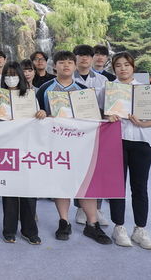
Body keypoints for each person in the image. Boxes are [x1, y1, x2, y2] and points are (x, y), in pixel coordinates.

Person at [36, 50, 112, 244]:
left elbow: (93, 116)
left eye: (70, 62)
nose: (66, 65)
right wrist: (43, 115)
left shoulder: (83, 90)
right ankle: (63, 221)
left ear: (75, 66)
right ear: (55, 67)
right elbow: (36, 114)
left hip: (81, 144)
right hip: (56, 144)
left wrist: (107, 119)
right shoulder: (44, 88)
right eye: (62, 62)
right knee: (61, 184)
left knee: (86, 184)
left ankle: (92, 224)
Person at [106, 52, 151, 249]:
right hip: (116, 141)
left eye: (126, 65)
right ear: (114, 69)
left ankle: (140, 229)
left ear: (133, 67)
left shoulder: (146, 90)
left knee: (140, 187)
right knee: (117, 187)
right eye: (118, 65)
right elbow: (101, 113)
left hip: (142, 141)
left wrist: (145, 124)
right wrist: (108, 116)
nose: (123, 69)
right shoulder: (109, 90)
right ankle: (119, 227)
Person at [0, 61, 46, 245]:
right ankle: (9, 229)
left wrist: (41, 113)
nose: (11, 78)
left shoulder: (30, 96)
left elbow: (37, 120)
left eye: (14, 74)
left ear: (20, 76)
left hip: (27, 148)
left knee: (28, 190)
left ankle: (29, 230)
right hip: (6, 148)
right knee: (9, 191)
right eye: (7, 75)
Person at [72, 44, 110, 226]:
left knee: (97, 170)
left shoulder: (103, 81)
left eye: (88, 55)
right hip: (73, 130)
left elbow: (107, 106)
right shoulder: (68, 78)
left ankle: (97, 209)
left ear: (93, 58)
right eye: (80, 55)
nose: (84, 59)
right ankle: (80, 207)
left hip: (97, 129)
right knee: (77, 168)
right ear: (75, 59)